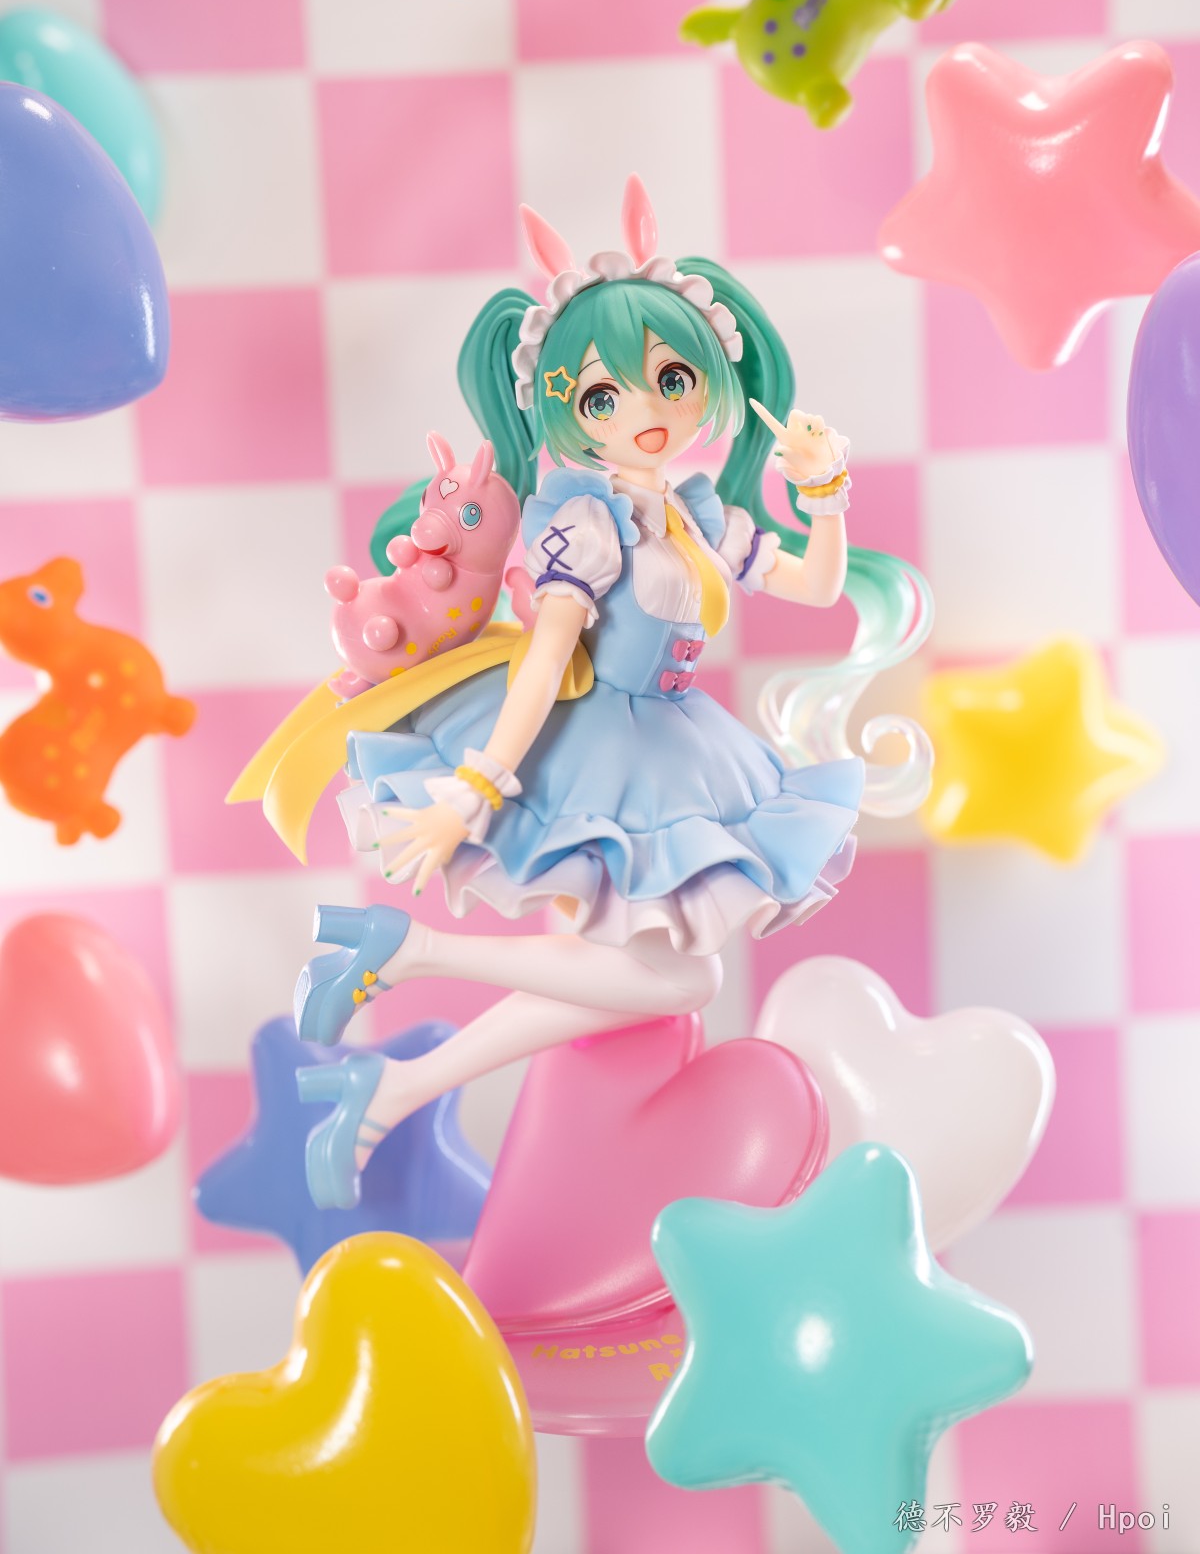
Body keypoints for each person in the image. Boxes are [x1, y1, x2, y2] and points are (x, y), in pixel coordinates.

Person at [289, 175, 932, 1207]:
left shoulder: (699, 512)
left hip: (680, 742)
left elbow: (817, 585)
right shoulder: (582, 519)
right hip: (600, 746)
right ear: (564, 411)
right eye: (602, 397)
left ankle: (394, 1075)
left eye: (671, 379)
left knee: (671, 980)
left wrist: (822, 489)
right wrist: (478, 787)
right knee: (680, 978)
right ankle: (410, 964)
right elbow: (545, 659)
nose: (646, 413)